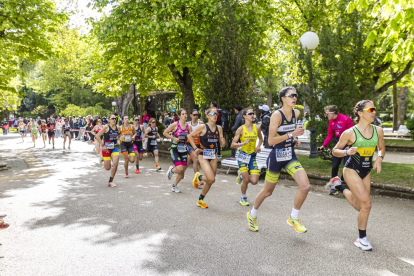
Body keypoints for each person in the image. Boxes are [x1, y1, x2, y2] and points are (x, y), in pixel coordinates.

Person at [247, 87, 309, 233]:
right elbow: (271, 140)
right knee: (267, 192)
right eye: (291, 95)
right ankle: (252, 214)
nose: (294, 98)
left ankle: (293, 217)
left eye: (296, 95)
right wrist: (290, 134)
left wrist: (295, 138)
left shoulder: (296, 113)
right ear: (282, 98)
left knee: (305, 186)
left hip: (290, 156)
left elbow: (291, 132)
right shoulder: (277, 115)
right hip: (276, 157)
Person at [331, 100, 385, 251]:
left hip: (366, 170)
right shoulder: (350, 133)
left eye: (374, 109)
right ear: (360, 113)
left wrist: (379, 158)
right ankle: (361, 238)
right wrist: (346, 152)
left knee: (359, 206)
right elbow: (334, 151)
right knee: (367, 204)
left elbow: (381, 149)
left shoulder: (378, 131)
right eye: (370, 110)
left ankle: (339, 187)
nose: (374, 112)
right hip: (351, 169)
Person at [188, 107, 226, 208]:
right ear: (208, 116)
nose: (215, 115)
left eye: (216, 114)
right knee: (211, 178)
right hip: (203, 155)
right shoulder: (202, 127)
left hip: (213, 155)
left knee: (211, 180)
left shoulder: (219, 128)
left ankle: (200, 199)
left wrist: (223, 142)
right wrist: (195, 148)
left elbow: (222, 144)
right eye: (213, 114)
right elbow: (190, 136)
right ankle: (199, 177)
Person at [319, 105, 354, 195]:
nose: (326, 115)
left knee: (346, 166)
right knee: (335, 166)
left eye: (327, 114)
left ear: (333, 113)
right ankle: (334, 185)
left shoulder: (346, 119)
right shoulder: (331, 122)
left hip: (347, 144)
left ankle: (340, 183)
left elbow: (354, 132)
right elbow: (330, 135)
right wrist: (324, 145)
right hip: (338, 144)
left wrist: (350, 145)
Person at [231, 108, 263, 206]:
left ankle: (241, 174)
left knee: (254, 181)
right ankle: (243, 197)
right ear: (244, 116)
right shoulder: (240, 129)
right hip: (243, 156)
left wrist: (258, 146)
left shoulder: (257, 127)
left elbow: (261, 139)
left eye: (253, 113)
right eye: (250, 114)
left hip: (252, 156)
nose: (252, 115)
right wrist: (241, 144)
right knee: (246, 179)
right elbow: (232, 144)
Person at [164, 109, 192, 193]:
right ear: (179, 116)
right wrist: (173, 138)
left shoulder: (188, 126)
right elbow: (165, 132)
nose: (185, 115)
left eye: (186, 113)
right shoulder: (175, 125)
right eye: (183, 114)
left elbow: (191, 137)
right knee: (179, 169)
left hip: (183, 150)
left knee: (182, 173)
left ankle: (174, 186)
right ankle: (172, 170)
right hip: (175, 149)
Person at [95, 114, 120, 187]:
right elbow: (97, 136)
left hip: (114, 148)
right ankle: (102, 157)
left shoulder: (118, 128)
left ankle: (111, 181)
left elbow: (118, 135)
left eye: (115, 119)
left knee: (115, 164)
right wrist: (103, 145)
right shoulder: (106, 127)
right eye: (112, 118)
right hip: (106, 149)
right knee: (107, 168)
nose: (114, 120)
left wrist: (119, 138)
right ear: (108, 120)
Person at [186, 109, 204, 189]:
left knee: (188, 162)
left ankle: (178, 171)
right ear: (190, 116)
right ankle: (197, 179)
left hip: (198, 145)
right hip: (190, 145)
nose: (195, 116)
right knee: (196, 160)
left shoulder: (201, 124)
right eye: (194, 115)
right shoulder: (188, 124)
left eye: (197, 115)